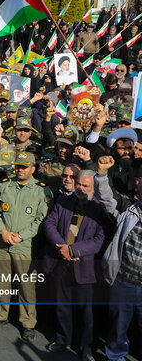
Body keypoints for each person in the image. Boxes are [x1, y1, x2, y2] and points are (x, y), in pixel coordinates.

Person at [42, 169, 108, 361]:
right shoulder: (63, 201)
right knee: (62, 306)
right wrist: (63, 248)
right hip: (62, 263)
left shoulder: (100, 210)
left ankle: (86, 347)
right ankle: (63, 339)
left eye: (85, 185)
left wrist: (74, 250)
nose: (79, 188)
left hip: (85, 267)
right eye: (78, 184)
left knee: (86, 311)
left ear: (94, 188)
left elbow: (100, 239)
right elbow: (49, 224)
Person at [0, 151, 51, 341]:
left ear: (33, 168)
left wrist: (21, 236)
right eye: (18, 166)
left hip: (26, 245)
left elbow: (42, 219)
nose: (20, 169)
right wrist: (2, 231)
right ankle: (1, 315)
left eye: (24, 166)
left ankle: (28, 323)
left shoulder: (41, 190)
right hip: (3, 241)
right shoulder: (4, 186)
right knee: (1, 281)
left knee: (26, 286)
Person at [95, 155, 142, 361]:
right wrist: (102, 173)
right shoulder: (127, 208)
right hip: (123, 281)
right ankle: (115, 357)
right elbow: (106, 197)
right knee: (118, 329)